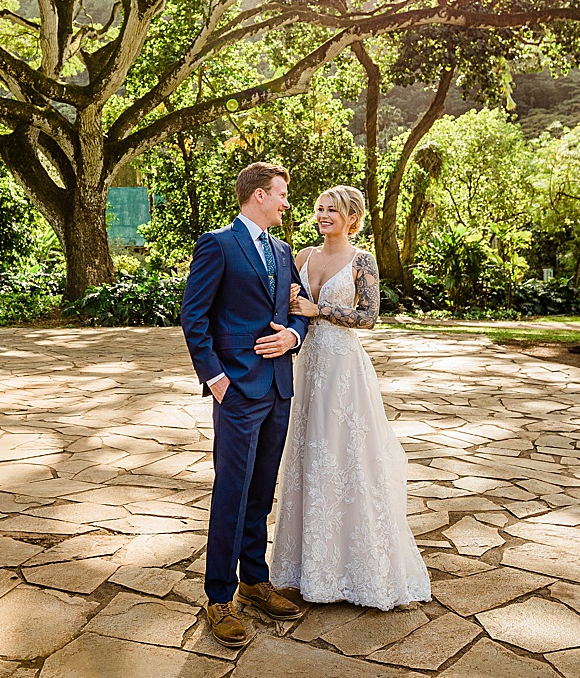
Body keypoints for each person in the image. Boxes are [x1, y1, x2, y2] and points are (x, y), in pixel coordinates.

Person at [271, 185, 431, 609]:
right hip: (305, 367)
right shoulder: (301, 256)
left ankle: (355, 569)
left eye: (332, 210)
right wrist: (289, 303)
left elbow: (370, 317)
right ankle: (304, 569)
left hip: (343, 368)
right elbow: (286, 304)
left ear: (351, 218)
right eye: (319, 208)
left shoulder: (363, 260)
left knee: (346, 457)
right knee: (307, 456)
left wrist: (318, 310)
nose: (323, 215)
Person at [180, 162, 312, 647]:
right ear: (258, 195)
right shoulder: (217, 244)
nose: (286, 203)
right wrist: (215, 379)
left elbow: (297, 312)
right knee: (232, 493)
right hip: (236, 391)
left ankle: (253, 581)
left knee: (261, 491)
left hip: (278, 388)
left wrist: (292, 339)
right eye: (281, 195)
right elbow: (194, 316)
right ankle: (219, 597)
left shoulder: (282, 250)